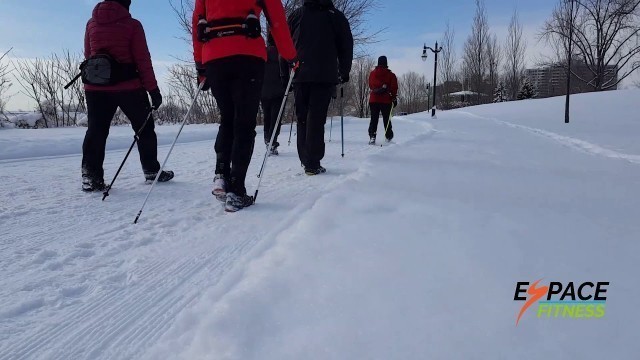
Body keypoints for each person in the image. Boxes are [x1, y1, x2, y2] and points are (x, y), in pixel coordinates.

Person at [193, 0, 297, 212]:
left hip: (214, 56)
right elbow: (276, 20)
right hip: (247, 54)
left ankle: (221, 175)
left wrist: (200, 64)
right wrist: (291, 56)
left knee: (227, 118)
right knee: (244, 122)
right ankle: (236, 191)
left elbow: (197, 20)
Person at [81, 0, 173, 192]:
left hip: (96, 87)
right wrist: (153, 90)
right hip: (128, 86)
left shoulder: (91, 23)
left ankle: (91, 176)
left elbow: (89, 54)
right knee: (144, 128)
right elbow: (142, 59)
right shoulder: (132, 25)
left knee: (96, 131)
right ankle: (151, 171)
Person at [286, 0, 353, 176]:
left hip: (299, 73)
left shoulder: (296, 15)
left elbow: (285, 44)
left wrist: (284, 72)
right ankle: (312, 162)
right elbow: (346, 45)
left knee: (302, 117)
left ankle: (306, 158)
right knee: (316, 117)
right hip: (324, 74)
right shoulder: (336, 17)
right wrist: (344, 71)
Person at [261, 32, 285, 156]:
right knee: (276, 119)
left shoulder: (262, 52)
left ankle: (267, 139)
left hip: (263, 91)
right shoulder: (282, 54)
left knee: (267, 117)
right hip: (278, 91)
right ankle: (272, 141)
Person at [368, 56, 398, 145]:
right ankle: (388, 136)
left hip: (373, 99)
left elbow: (370, 85)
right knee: (386, 119)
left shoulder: (372, 74)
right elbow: (394, 88)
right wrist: (393, 97)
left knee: (374, 118)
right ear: (386, 63)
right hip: (386, 100)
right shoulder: (391, 75)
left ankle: (372, 136)